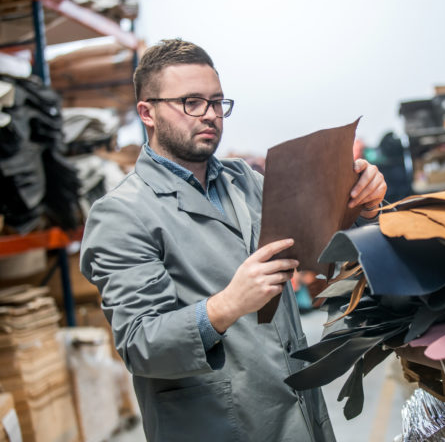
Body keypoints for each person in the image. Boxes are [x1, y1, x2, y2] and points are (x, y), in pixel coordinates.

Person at [79, 39, 387, 442]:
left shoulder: (246, 182)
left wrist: (364, 206)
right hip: (216, 423)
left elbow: (325, 253)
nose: (210, 115)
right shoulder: (121, 213)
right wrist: (227, 305)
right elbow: (139, 344)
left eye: (217, 102)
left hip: (299, 413)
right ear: (147, 113)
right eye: (191, 102)